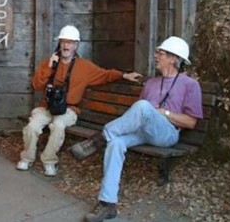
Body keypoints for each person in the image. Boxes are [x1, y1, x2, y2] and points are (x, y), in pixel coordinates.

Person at [70, 36, 202, 222]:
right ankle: (107, 204)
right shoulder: (151, 83)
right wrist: (147, 112)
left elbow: (191, 122)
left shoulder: (190, 85)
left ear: (174, 58)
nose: (156, 56)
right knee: (116, 143)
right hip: (143, 132)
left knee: (142, 106)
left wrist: (162, 112)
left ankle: (98, 139)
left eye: (161, 53)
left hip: (167, 134)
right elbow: (137, 116)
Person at [16, 25, 141, 176]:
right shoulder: (48, 63)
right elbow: (36, 85)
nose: (66, 45)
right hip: (47, 107)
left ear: (76, 45)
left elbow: (105, 74)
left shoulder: (84, 66)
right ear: (59, 44)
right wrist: (50, 67)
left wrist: (123, 75)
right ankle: (27, 158)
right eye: (63, 42)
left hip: (69, 109)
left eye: (70, 42)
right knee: (32, 126)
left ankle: (49, 161)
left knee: (58, 125)